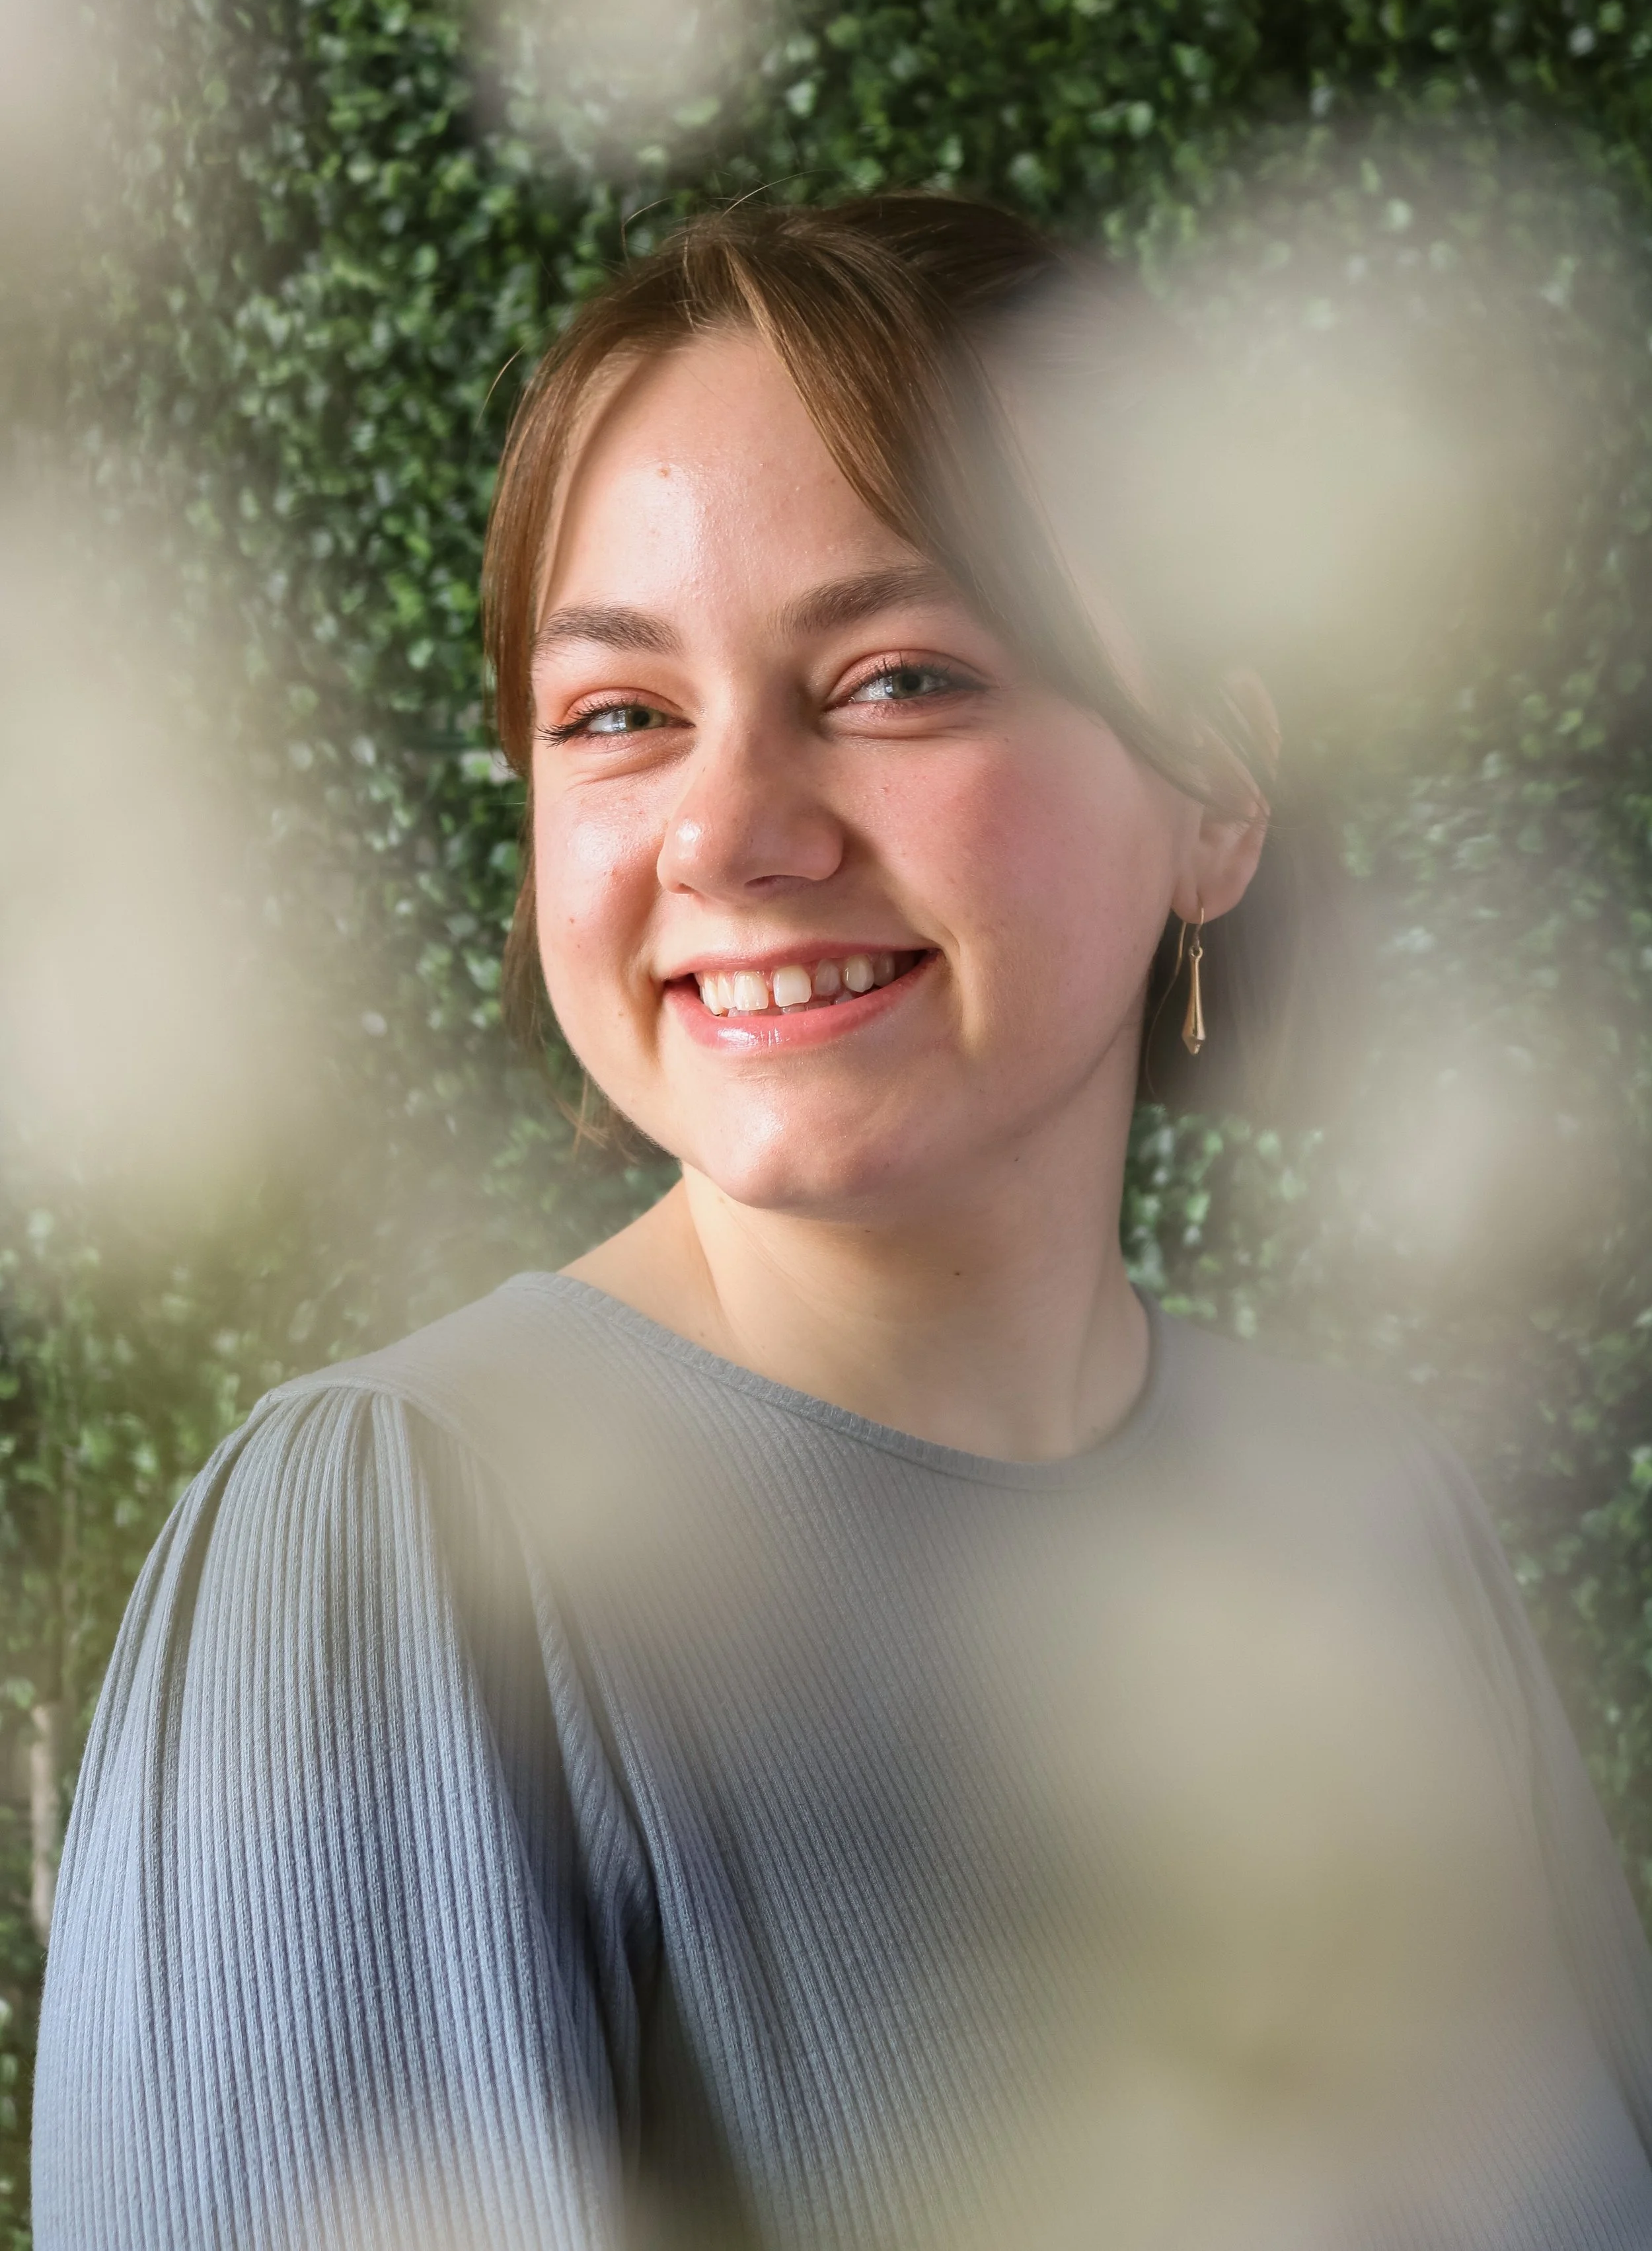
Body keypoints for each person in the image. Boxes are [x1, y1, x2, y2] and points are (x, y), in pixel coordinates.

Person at [32, 195, 1652, 2250]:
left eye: (895, 679)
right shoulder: (389, 1548)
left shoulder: (1376, 1524)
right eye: (617, 715)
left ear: (1216, 796)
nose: (726, 831)